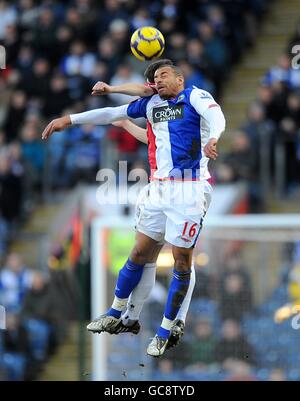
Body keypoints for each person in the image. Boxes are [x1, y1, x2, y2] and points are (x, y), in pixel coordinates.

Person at [41, 62, 226, 356]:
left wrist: (214, 137)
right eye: (154, 77)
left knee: (181, 260)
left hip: (189, 190)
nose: (158, 80)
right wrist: (71, 119)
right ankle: (116, 313)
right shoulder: (151, 105)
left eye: (164, 74)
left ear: (180, 78)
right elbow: (111, 113)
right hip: (157, 189)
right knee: (140, 252)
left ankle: (167, 328)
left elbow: (217, 117)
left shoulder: (194, 97)